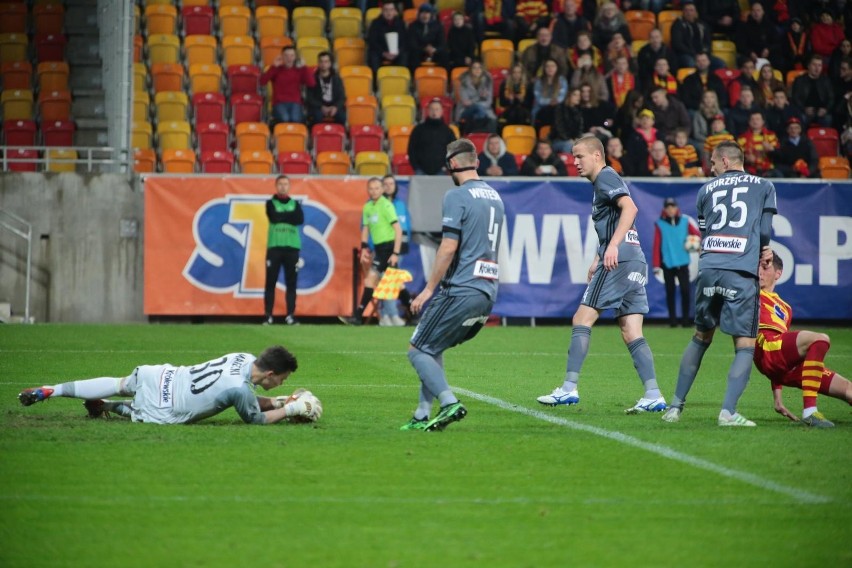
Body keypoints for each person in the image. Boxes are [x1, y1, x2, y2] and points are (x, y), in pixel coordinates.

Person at [536, 135, 666, 414]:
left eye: (579, 156)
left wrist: (613, 248)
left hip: (620, 261)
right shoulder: (603, 184)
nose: (575, 162)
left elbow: (630, 208)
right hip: (634, 259)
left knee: (581, 318)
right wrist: (599, 254)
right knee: (631, 330)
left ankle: (568, 389)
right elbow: (614, 223)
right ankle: (653, 394)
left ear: (597, 155)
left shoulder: (606, 177)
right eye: (573, 157)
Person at [662, 141, 777, 427]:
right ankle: (727, 412)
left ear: (725, 161)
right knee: (745, 345)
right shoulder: (764, 186)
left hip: (709, 268)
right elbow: (763, 230)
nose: (710, 168)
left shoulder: (705, 191)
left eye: (713, 162)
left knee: (701, 336)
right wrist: (764, 251)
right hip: (740, 269)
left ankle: (675, 407)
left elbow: (706, 232)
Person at [402, 138, 505, 431]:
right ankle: (422, 414)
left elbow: (448, 247)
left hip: (461, 288)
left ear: (453, 164)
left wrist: (427, 289)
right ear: (477, 161)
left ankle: (449, 403)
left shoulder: (456, 195)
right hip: (487, 291)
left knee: (416, 350)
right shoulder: (495, 196)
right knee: (432, 348)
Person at [17, 346, 322, 425]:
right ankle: (109, 407)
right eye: (283, 378)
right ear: (270, 372)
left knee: (118, 382)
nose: (283, 381)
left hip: (162, 375)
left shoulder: (241, 358)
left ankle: (52, 390)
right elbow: (253, 416)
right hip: (166, 406)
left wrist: (281, 401)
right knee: (133, 410)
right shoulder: (241, 390)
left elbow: (248, 397)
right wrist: (292, 408)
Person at [755, 252, 851, 428]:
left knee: (848, 389)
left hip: (784, 366)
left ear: (778, 273)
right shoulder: (751, 294)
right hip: (767, 349)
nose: (759, 272)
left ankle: (812, 410)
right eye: (757, 267)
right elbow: (772, 352)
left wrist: (778, 400)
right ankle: (810, 411)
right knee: (820, 339)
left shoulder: (786, 308)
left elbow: (783, 352)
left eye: (765, 267)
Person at [340, 177, 403, 326]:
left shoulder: (387, 206)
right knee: (395, 283)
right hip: (379, 249)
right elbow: (365, 229)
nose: (374, 191)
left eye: (377, 188)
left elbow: (398, 230)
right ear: (367, 190)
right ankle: (412, 314)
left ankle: (358, 316)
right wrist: (363, 249)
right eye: (371, 188)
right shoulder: (367, 207)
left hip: (388, 248)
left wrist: (395, 253)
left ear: (382, 190)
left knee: (375, 280)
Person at [652, 197, 700, 327]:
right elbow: (657, 245)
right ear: (665, 209)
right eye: (668, 207)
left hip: (683, 262)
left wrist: (697, 245)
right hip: (667, 263)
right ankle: (672, 321)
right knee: (670, 291)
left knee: (685, 291)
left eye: (672, 206)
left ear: (676, 208)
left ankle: (686, 320)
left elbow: (697, 235)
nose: (670, 209)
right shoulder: (660, 223)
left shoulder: (685, 221)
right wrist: (656, 265)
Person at [264, 175, 304, 326]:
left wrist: (283, 216)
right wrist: (288, 216)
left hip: (292, 248)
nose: (283, 187)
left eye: (285, 184)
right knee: (270, 282)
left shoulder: (295, 203)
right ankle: (268, 315)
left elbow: (299, 219)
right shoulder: (270, 203)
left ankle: (290, 315)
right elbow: (274, 217)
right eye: (280, 184)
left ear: (289, 186)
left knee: (291, 283)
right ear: (276, 186)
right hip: (274, 247)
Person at [378, 174, 413, 326]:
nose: (388, 186)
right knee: (390, 280)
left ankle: (387, 315)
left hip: (399, 246)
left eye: (391, 183)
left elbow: (407, 225)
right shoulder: (377, 204)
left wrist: (404, 243)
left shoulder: (400, 204)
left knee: (390, 280)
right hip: (384, 246)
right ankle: (391, 315)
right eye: (385, 184)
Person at [259, 45, 315, 126]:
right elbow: (262, 82)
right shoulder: (276, 69)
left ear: (295, 57)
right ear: (282, 57)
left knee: (295, 119)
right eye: (286, 56)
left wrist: (304, 67)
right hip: (279, 102)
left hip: (295, 102)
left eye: (292, 56)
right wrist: (273, 67)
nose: (289, 58)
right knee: (285, 119)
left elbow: (311, 83)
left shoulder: (300, 70)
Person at [407, 99, 457, 175]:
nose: (434, 112)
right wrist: (416, 167)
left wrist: (446, 167)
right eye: (432, 109)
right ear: (428, 111)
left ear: (441, 111)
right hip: (420, 171)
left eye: (437, 109)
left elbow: (454, 151)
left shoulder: (448, 131)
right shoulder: (418, 130)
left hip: (441, 171)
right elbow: (411, 149)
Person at [791, 54, 835, 128]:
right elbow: (795, 98)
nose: (817, 68)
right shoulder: (799, 80)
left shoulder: (826, 80)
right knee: (802, 118)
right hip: (805, 111)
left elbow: (831, 98)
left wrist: (826, 110)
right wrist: (804, 109)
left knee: (828, 119)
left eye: (819, 65)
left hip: (821, 112)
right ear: (808, 66)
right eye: (814, 65)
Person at [455, 60, 497, 134]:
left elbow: (489, 101)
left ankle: (478, 136)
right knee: (479, 109)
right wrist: (479, 97)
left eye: (479, 68)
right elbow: (465, 102)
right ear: (470, 70)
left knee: (490, 118)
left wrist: (476, 103)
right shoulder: (464, 80)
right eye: (474, 68)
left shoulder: (488, 80)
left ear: (482, 69)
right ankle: (480, 135)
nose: (477, 70)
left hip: (484, 108)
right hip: (465, 110)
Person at [305, 51, 346, 127]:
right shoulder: (312, 78)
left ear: (330, 63)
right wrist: (321, 107)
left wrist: (336, 107)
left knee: (342, 117)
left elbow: (342, 97)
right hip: (318, 106)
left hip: (333, 105)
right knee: (317, 117)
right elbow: (309, 97)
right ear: (318, 63)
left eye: (326, 62)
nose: (323, 64)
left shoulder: (337, 78)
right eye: (321, 62)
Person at [367, 2, 408, 78]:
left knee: (404, 56)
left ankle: (400, 81)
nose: (389, 13)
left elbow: (405, 41)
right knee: (373, 56)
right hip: (381, 51)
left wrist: (398, 51)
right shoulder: (375, 23)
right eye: (386, 10)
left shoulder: (400, 23)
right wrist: (383, 53)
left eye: (391, 10)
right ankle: (376, 84)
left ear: (395, 11)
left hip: (396, 52)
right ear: (382, 11)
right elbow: (372, 41)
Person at [406, 3, 447, 71]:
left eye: (427, 13)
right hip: (419, 51)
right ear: (419, 14)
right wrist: (424, 48)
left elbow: (442, 43)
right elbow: (412, 44)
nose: (425, 15)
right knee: (413, 54)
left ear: (431, 15)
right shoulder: (413, 26)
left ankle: (443, 77)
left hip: (434, 51)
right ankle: (416, 77)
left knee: (444, 54)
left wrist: (434, 49)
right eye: (423, 13)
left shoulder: (438, 26)